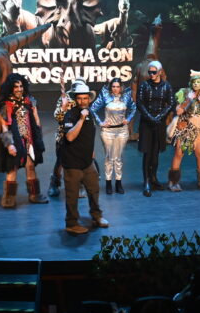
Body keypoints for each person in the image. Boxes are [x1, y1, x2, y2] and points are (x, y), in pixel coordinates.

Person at [60, 80, 107, 234]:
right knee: (72, 196)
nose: (82, 101)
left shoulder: (90, 113)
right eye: (79, 98)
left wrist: (91, 152)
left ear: (89, 99)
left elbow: (89, 135)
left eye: (85, 98)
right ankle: (72, 223)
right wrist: (80, 119)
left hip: (87, 162)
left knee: (94, 190)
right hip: (72, 163)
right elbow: (70, 137)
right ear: (75, 99)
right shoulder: (70, 114)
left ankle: (96, 216)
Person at [0, 73, 47, 208]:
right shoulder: (6, 104)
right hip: (14, 140)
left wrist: (38, 137)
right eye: (16, 87)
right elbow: (4, 126)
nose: (19, 89)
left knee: (30, 166)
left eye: (21, 86)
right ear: (10, 88)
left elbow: (36, 120)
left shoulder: (30, 101)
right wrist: (9, 145)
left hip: (29, 140)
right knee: (12, 169)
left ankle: (34, 194)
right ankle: (9, 198)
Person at [168, 70, 200, 191]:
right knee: (179, 154)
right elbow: (178, 111)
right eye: (194, 82)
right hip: (184, 129)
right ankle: (173, 181)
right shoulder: (184, 93)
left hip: (198, 130)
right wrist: (188, 100)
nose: (195, 84)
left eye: (198, 82)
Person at [91, 77, 137, 195]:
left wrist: (128, 119)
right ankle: (108, 183)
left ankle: (118, 182)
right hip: (108, 131)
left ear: (121, 87)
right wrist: (100, 122)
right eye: (113, 86)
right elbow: (93, 109)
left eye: (117, 86)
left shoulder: (126, 96)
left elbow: (134, 108)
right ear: (110, 87)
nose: (115, 89)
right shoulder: (105, 96)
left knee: (119, 157)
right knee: (109, 157)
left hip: (122, 131)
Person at [136, 60, 175, 197]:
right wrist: (150, 117)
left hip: (159, 123)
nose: (151, 74)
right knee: (147, 152)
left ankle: (153, 178)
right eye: (149, 72)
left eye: (154, 72)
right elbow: (139, 103)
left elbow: (171, 103)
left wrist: (159, 117)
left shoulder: (166, 86)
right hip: (146, 123)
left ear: (159, 72)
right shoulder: (144, 85)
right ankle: (146, 181)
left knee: (156, 152)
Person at [48, 81, 77, 197]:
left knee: (78, 161)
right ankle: (54, 184)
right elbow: (58, 117)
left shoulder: (84, 99)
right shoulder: (65, 98)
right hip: (63, 135)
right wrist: (64, 107)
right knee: (60, 161)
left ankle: (78, 185)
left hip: (79, 135)